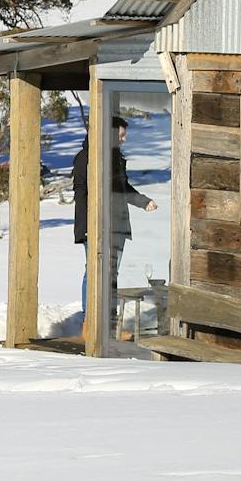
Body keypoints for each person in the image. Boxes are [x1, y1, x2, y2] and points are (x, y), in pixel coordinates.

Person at [72, 115, 157, 328]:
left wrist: (143, 201)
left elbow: (123, 189)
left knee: (111, 273)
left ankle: (108, 322)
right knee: (94, 271)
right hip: (95, 227)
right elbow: (81, 194)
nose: (124, 139)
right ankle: (89, 321)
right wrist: (87, 228)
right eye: (121, 135)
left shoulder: (116, 158)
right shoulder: (86, 157)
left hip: (117, 225)